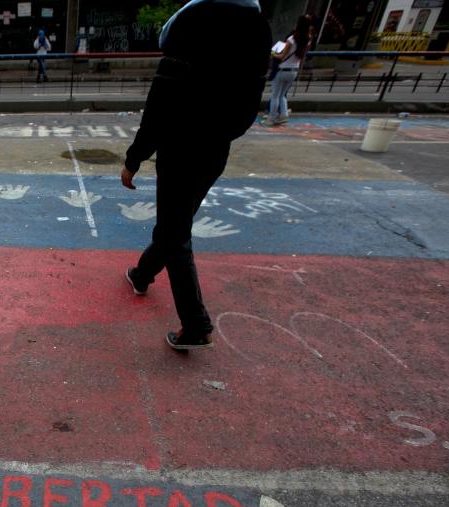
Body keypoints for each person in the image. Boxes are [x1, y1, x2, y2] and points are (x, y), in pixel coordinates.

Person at [120, 0, 270, 351]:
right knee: (175, 224)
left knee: (175, 233)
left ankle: (195, 324)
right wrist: (222, 134)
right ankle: (142, 274)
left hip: (180, 147)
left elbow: (161, 101)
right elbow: (250, 105)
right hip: (216, 149)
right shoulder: (256, 28)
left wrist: (134, 157)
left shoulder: (193, 21)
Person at [265, 14, 313, 126]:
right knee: (283, 94)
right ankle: (284, 114)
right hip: (294, 70)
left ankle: (271, 118)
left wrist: (272, 53)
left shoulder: (291, 39)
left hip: (283, 69)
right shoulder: (308, 39)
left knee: (275, 95)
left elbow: (281, 56)